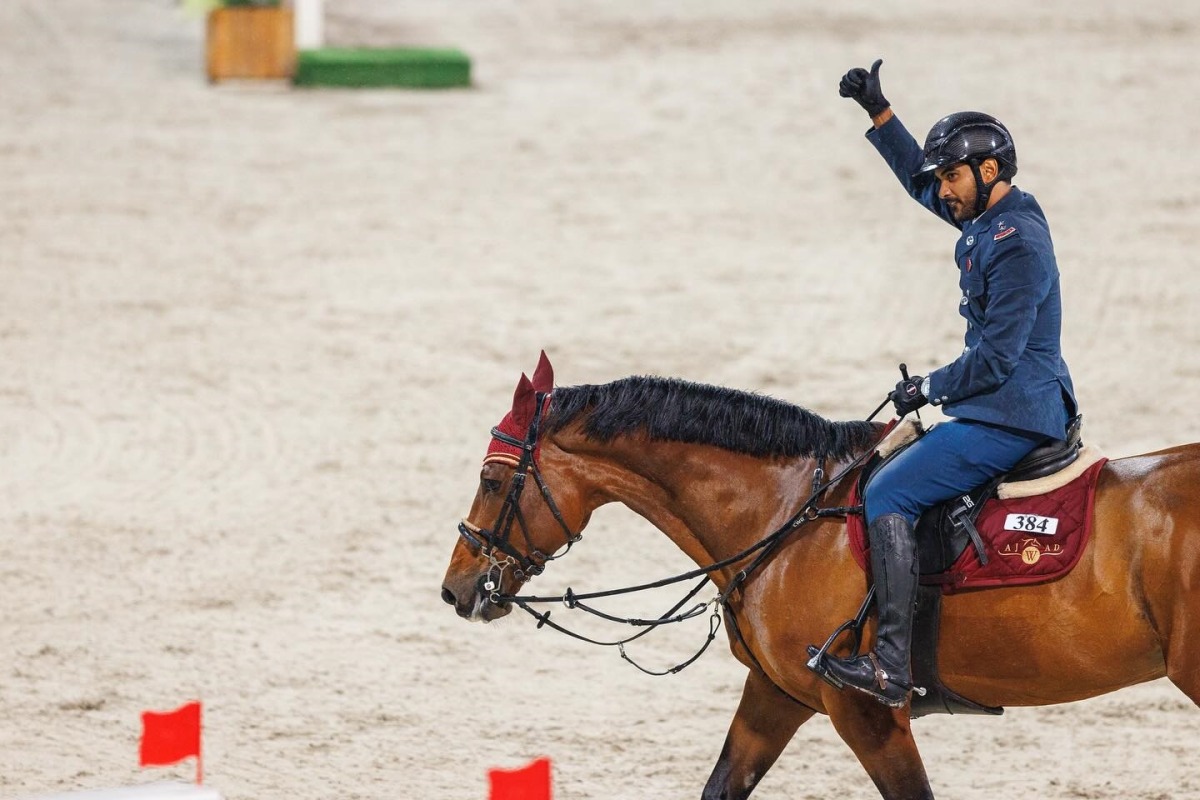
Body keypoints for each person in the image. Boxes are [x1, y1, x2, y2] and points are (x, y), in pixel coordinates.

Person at [816, 59, 1078, 708]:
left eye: (953, 176)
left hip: (1012, 412)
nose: (944, 190)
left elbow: (995, 359)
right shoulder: (994, 216)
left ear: (989, 172)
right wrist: (880, 114)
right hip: (999, 402)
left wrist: (927, 386)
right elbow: (922, 187)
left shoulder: (1017, 243)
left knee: (889, 491)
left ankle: (892, 666)